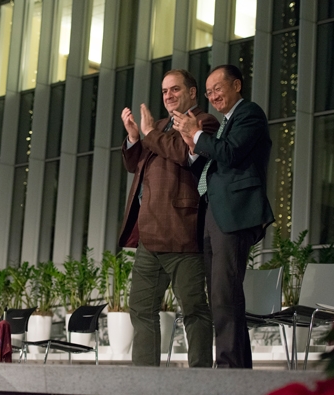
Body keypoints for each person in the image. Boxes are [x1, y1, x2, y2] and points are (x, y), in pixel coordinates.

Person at [173, 64, 275, 368]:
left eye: (218, 88)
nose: (213, 95)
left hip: (234, 214)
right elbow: (212, 166)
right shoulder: (227, 122)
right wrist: (193, 144)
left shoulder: (249, 114)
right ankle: (237, 368)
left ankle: (229, 368)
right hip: (213, 214)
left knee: (223, 295)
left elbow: (230, 154)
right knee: (223, 295)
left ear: (237, 86)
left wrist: (196, 134)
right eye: (209, 92)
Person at [118, 69, 218, 367]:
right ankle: (145, 381)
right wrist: (135, 137)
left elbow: (182, 154)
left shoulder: (205, 122)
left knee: (194, 310)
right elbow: (134, 164)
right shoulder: (157, 125)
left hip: (182, 234)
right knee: (140, 309)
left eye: (175, 89)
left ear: (192, 92)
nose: (168, 96)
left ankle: (200, 379)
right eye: (164, 91)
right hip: (149, 234)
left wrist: (149, 134)